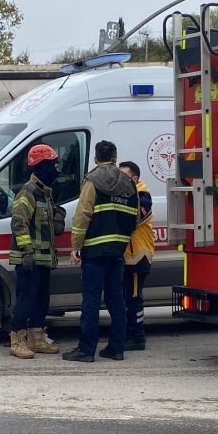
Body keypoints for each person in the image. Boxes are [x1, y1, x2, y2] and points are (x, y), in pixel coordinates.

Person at [62, 140, 138, 363]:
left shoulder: (92, 180)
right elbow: (134, 219)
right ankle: (116, 349)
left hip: (94, 251)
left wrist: (76, 246)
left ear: (96, 159)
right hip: (117, 251)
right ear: (115, 157)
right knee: (117, 301)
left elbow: (82, 215)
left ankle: (86, 350)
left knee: (91, 302)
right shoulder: (128, 182)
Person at [7, 144, 62, 359]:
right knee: (26, 300)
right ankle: (17, 340)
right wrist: (27, 252)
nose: (57, 169)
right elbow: (19, 223)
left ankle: (36, 338)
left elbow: (49, 228)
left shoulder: (45, 193)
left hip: (44, 259)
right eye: (53, 164)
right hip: (29, 259)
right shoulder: (28, 192)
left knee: (42, 299)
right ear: (42, 166)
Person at [119, 161, 154, 351]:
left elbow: (137, 217)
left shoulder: (143, 195)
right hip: (128, 256)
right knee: (126, 297)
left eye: (123, 176)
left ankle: (137, 336)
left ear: (134, 178)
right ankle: (128, 333)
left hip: (137, 256)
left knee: (133, 298)